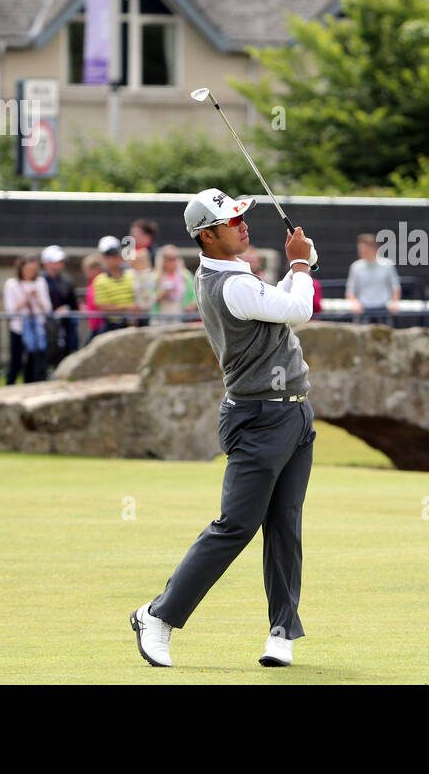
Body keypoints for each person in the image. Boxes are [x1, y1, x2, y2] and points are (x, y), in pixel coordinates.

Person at [132, 188, 317, 670]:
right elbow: (298, 310)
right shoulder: (230, 284)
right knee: (236, 525)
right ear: (207, 236)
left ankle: (282, 633)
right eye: (231, 220)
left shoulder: (236, 274)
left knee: (284, 526)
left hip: (294, 413)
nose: (242, 224)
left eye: (241, 216)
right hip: (259, 419)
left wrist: (297, 271)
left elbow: (279, 306)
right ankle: (157, 615)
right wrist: (300, 265)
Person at [3, 254, 52, 385]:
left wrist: (37, 298)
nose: (31, 272)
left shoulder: (40, 283)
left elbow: (47, 308)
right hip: (19, 328)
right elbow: (11, 310)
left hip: (38, 329)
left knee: (36, 363)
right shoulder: (11, 285)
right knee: (16, 362)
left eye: (34, 270)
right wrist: (26, 298)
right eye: (28, 269)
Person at [92, 236, 143, 333]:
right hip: (112, 326)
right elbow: (103, 307)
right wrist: (127, 308)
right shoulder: (99, 280)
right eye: (108, 256)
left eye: (115, 255)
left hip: (133, 324)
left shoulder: (132, 275)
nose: (113, 259)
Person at [345, 233, 401, 320]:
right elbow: (350, 290)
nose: (361, 251)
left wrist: (394, 302)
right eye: (360, 249)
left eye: (365, 249)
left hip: (383, 310)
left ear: (374, 249)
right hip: (363, 310)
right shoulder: (355, 267)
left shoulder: (387, 265)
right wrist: (355, 303)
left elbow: (395, 287)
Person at [41, 245, 80, 366]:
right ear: (46, 263)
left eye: (61, 262)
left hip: (66, 326)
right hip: (47, 327)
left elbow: (73, 304)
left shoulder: (67, 281)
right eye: (56, 262)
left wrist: (66, 309)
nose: (60, 264)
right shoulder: (40, 281)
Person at [152, 244, 198, 320]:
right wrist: (161, 295)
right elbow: (148, 299)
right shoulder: (155, 277)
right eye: (169, 258)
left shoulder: (186, 275)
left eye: (175, 258)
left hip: (181, 316)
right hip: (160, 316)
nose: (173, 261)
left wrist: (192, 304)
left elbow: (195, 294)